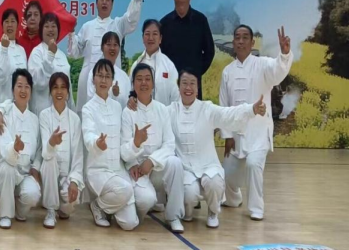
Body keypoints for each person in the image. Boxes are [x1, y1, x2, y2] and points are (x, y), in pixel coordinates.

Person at [169, 70, 267, 229]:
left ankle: (213, 212)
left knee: (214, 183)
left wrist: (251, 109)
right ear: (178, 86)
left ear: (197, 88)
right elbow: (154, 115)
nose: (188, 87)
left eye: (192, 83)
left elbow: (228, 114)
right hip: (185, 166)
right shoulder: (171, 111)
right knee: (188, 192)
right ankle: (188, 211)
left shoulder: (207, 109)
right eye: (184, 83)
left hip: (208, 164)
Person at [220, 25, 293, 221]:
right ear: (233, 42)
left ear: (252, 42)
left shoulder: (263, 65)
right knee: (227, 173)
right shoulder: (227, 72)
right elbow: (224, 106)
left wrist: (284, 54)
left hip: (259, 131)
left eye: (245, 37)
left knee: (253, 164)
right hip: (236, 133)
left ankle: (256, 208)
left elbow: (278, 71)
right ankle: (233, 199)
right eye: (237, 37)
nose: (241, 41)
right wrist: (227, 136)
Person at [120, 63, 185, 233]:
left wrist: (151, 161)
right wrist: (133, 160)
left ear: (153, 83)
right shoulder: (128, 112)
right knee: (146, 200)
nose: (144, 83)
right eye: (139, 79)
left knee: (176, 163)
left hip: (157, 165)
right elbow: (124, 149)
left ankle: (174, 216)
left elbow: (169, 143)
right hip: (137, 170)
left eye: (147, 79)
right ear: (133, 84)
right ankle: (138, 211)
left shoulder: (162, 109)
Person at [69, 0, 144, 112]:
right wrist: (71, 32)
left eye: (108, 0)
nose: (104, 2)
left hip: (112, 81)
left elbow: (131, 18)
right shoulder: (87, 27)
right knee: (86, 114)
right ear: (96, 3)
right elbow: (74, 52)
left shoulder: (118, 24)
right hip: (87, 81)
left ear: (112, 4)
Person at [82, 59, 140, 231]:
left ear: (112, 81)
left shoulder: (117, 107)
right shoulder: (88, 108)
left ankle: (108, 206)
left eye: (107, 76)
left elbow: (123, 139)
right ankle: (98, 206)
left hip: (117, 168)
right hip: (98, 169)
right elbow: (88, 134)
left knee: (130, 223)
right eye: (100, 75)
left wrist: (135, 147)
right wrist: (97, 143)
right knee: (126, 190)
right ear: (93, 79)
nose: (103, 80)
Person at [0, 69, 41, 229]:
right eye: (19, 86)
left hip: (25, 171)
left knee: (33, 194)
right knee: (7, 169)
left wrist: (35, 168)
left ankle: (20, 212)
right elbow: (5, 150)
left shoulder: (34, 119)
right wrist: (14, 148)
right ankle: (6, 214)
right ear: (13, 89)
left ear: (31, 91)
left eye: (27, 87)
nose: (23, 90)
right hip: (6, 169)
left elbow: (39, 149)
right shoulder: (4, 115)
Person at [39, 72, 83, 228]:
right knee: (50, 160)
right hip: (48, 174)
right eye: (55, 87)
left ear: (68, 92)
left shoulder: (75, 119)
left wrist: (74, 181)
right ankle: (51, 210)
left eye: (63, 87)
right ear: (50, 92)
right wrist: (51, 143)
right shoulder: (44, 115)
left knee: (72, 200)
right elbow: (45, 153)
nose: (59, 91)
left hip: (67, 175)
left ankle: (62, 209)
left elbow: (78, 154)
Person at [159, 0, 215, 99]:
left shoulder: (200, 20)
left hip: (193, 87)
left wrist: (196, 73)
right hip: (170, 86)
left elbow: (209, 52)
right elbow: (159, 56)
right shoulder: (164, 23)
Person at [129, 20, 179, 107]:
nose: (151, 38)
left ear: (160, 38)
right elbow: (130, 93)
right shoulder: (136, 65)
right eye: (147, 34)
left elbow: (176, 98)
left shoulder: (169, 66)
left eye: (155, 34)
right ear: (143, 38)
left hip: (164, 114)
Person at [29, 13, 71, 115]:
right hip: (42, 112)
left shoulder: (62, 55)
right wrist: (50, 55)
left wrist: (72, 112)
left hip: (63, 113)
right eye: (47, 26)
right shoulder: (36, 52)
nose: (50, 30)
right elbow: (38, 83)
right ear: (41, 30)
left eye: (53, 26)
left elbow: (68, 87)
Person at [0, 9, 28, 104]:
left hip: (21, 105)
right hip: (4, 105)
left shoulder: (21, 50)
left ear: (17, 25)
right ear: (2, 25)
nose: (9, 25)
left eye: (12, 21)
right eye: (6, 21)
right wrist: (4, 49)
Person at [100, 32, 131, 110]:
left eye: (115, 45)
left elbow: (128, 104)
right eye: (108, 44)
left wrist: (117, 95)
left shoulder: (124, 76)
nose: (112, 48)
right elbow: (92, 100)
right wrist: (112, 94)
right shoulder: (94, 73)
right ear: (102, 48)